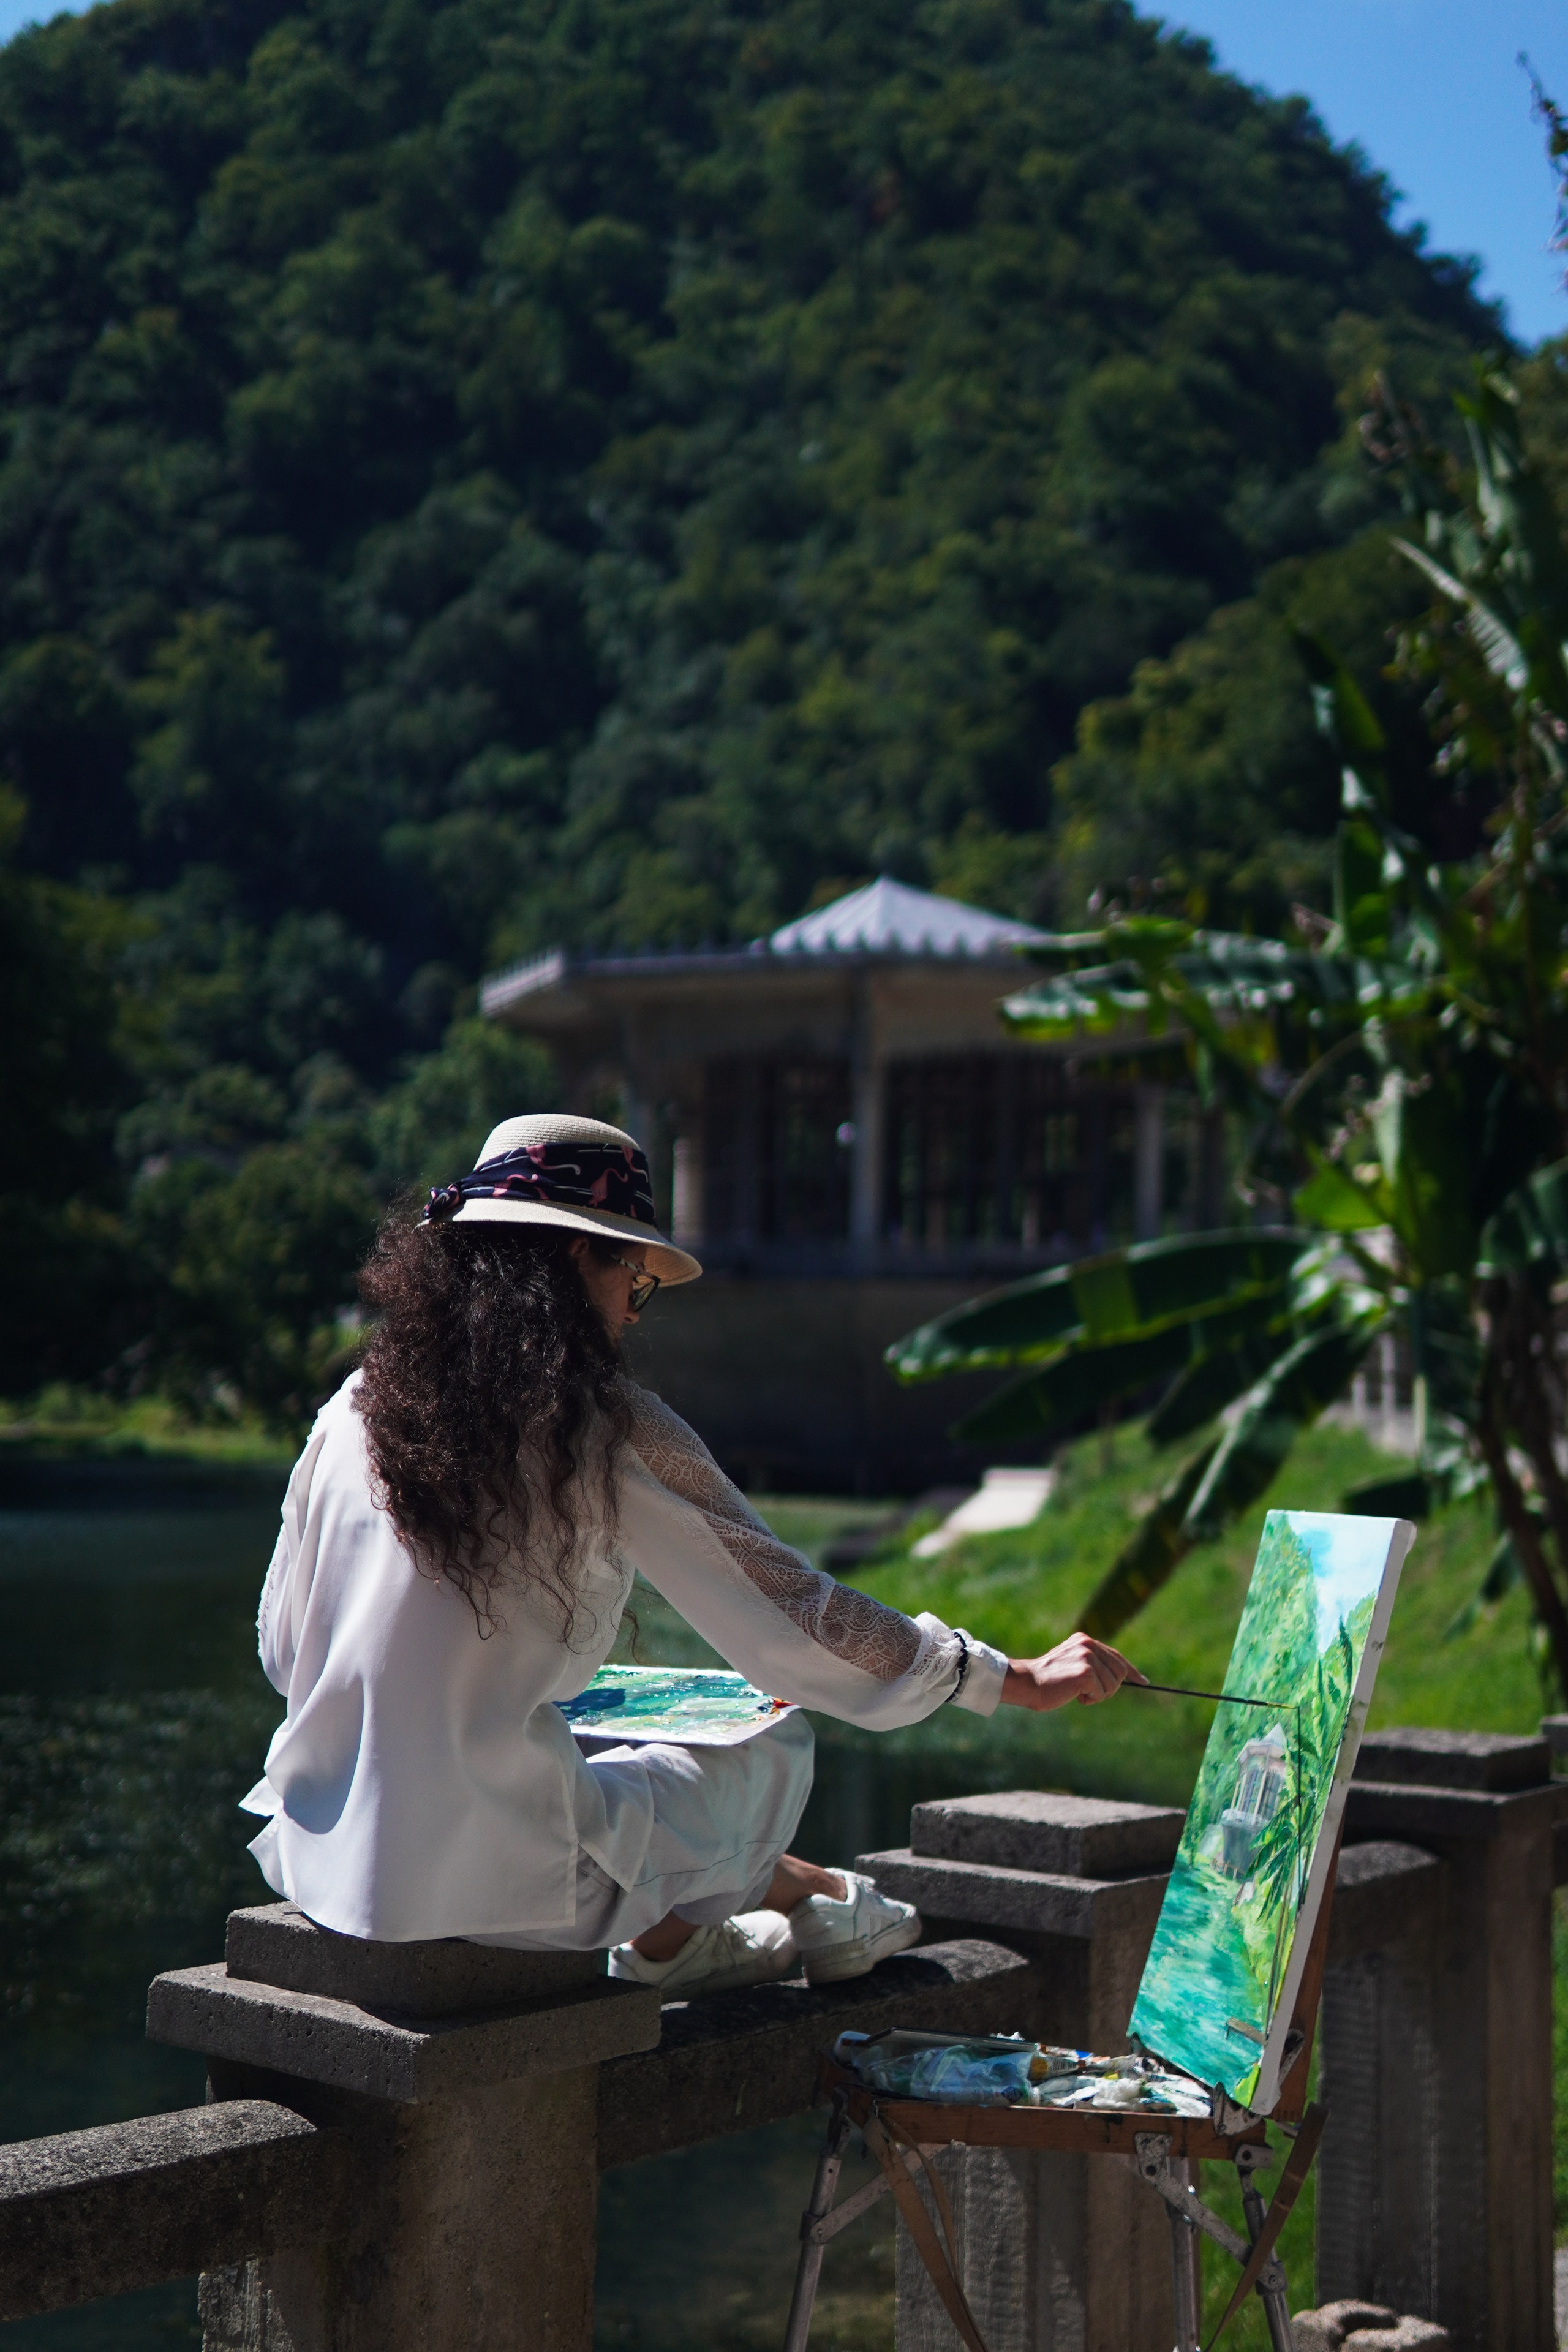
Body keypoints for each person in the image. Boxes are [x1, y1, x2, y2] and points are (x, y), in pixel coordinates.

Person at [244, 1114, 1144, 1998]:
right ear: (569, 1262)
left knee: (597, 1732)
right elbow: (800, 1623)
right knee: (772, 1739)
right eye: (633, 1282)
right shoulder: (602, 1427)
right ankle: (734, 1923)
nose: (632, 1316)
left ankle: (734, 1927)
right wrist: (1007, 1677)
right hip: (498, 1887)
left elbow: (284, 1649)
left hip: (323, 1859)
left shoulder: (352, 1410)